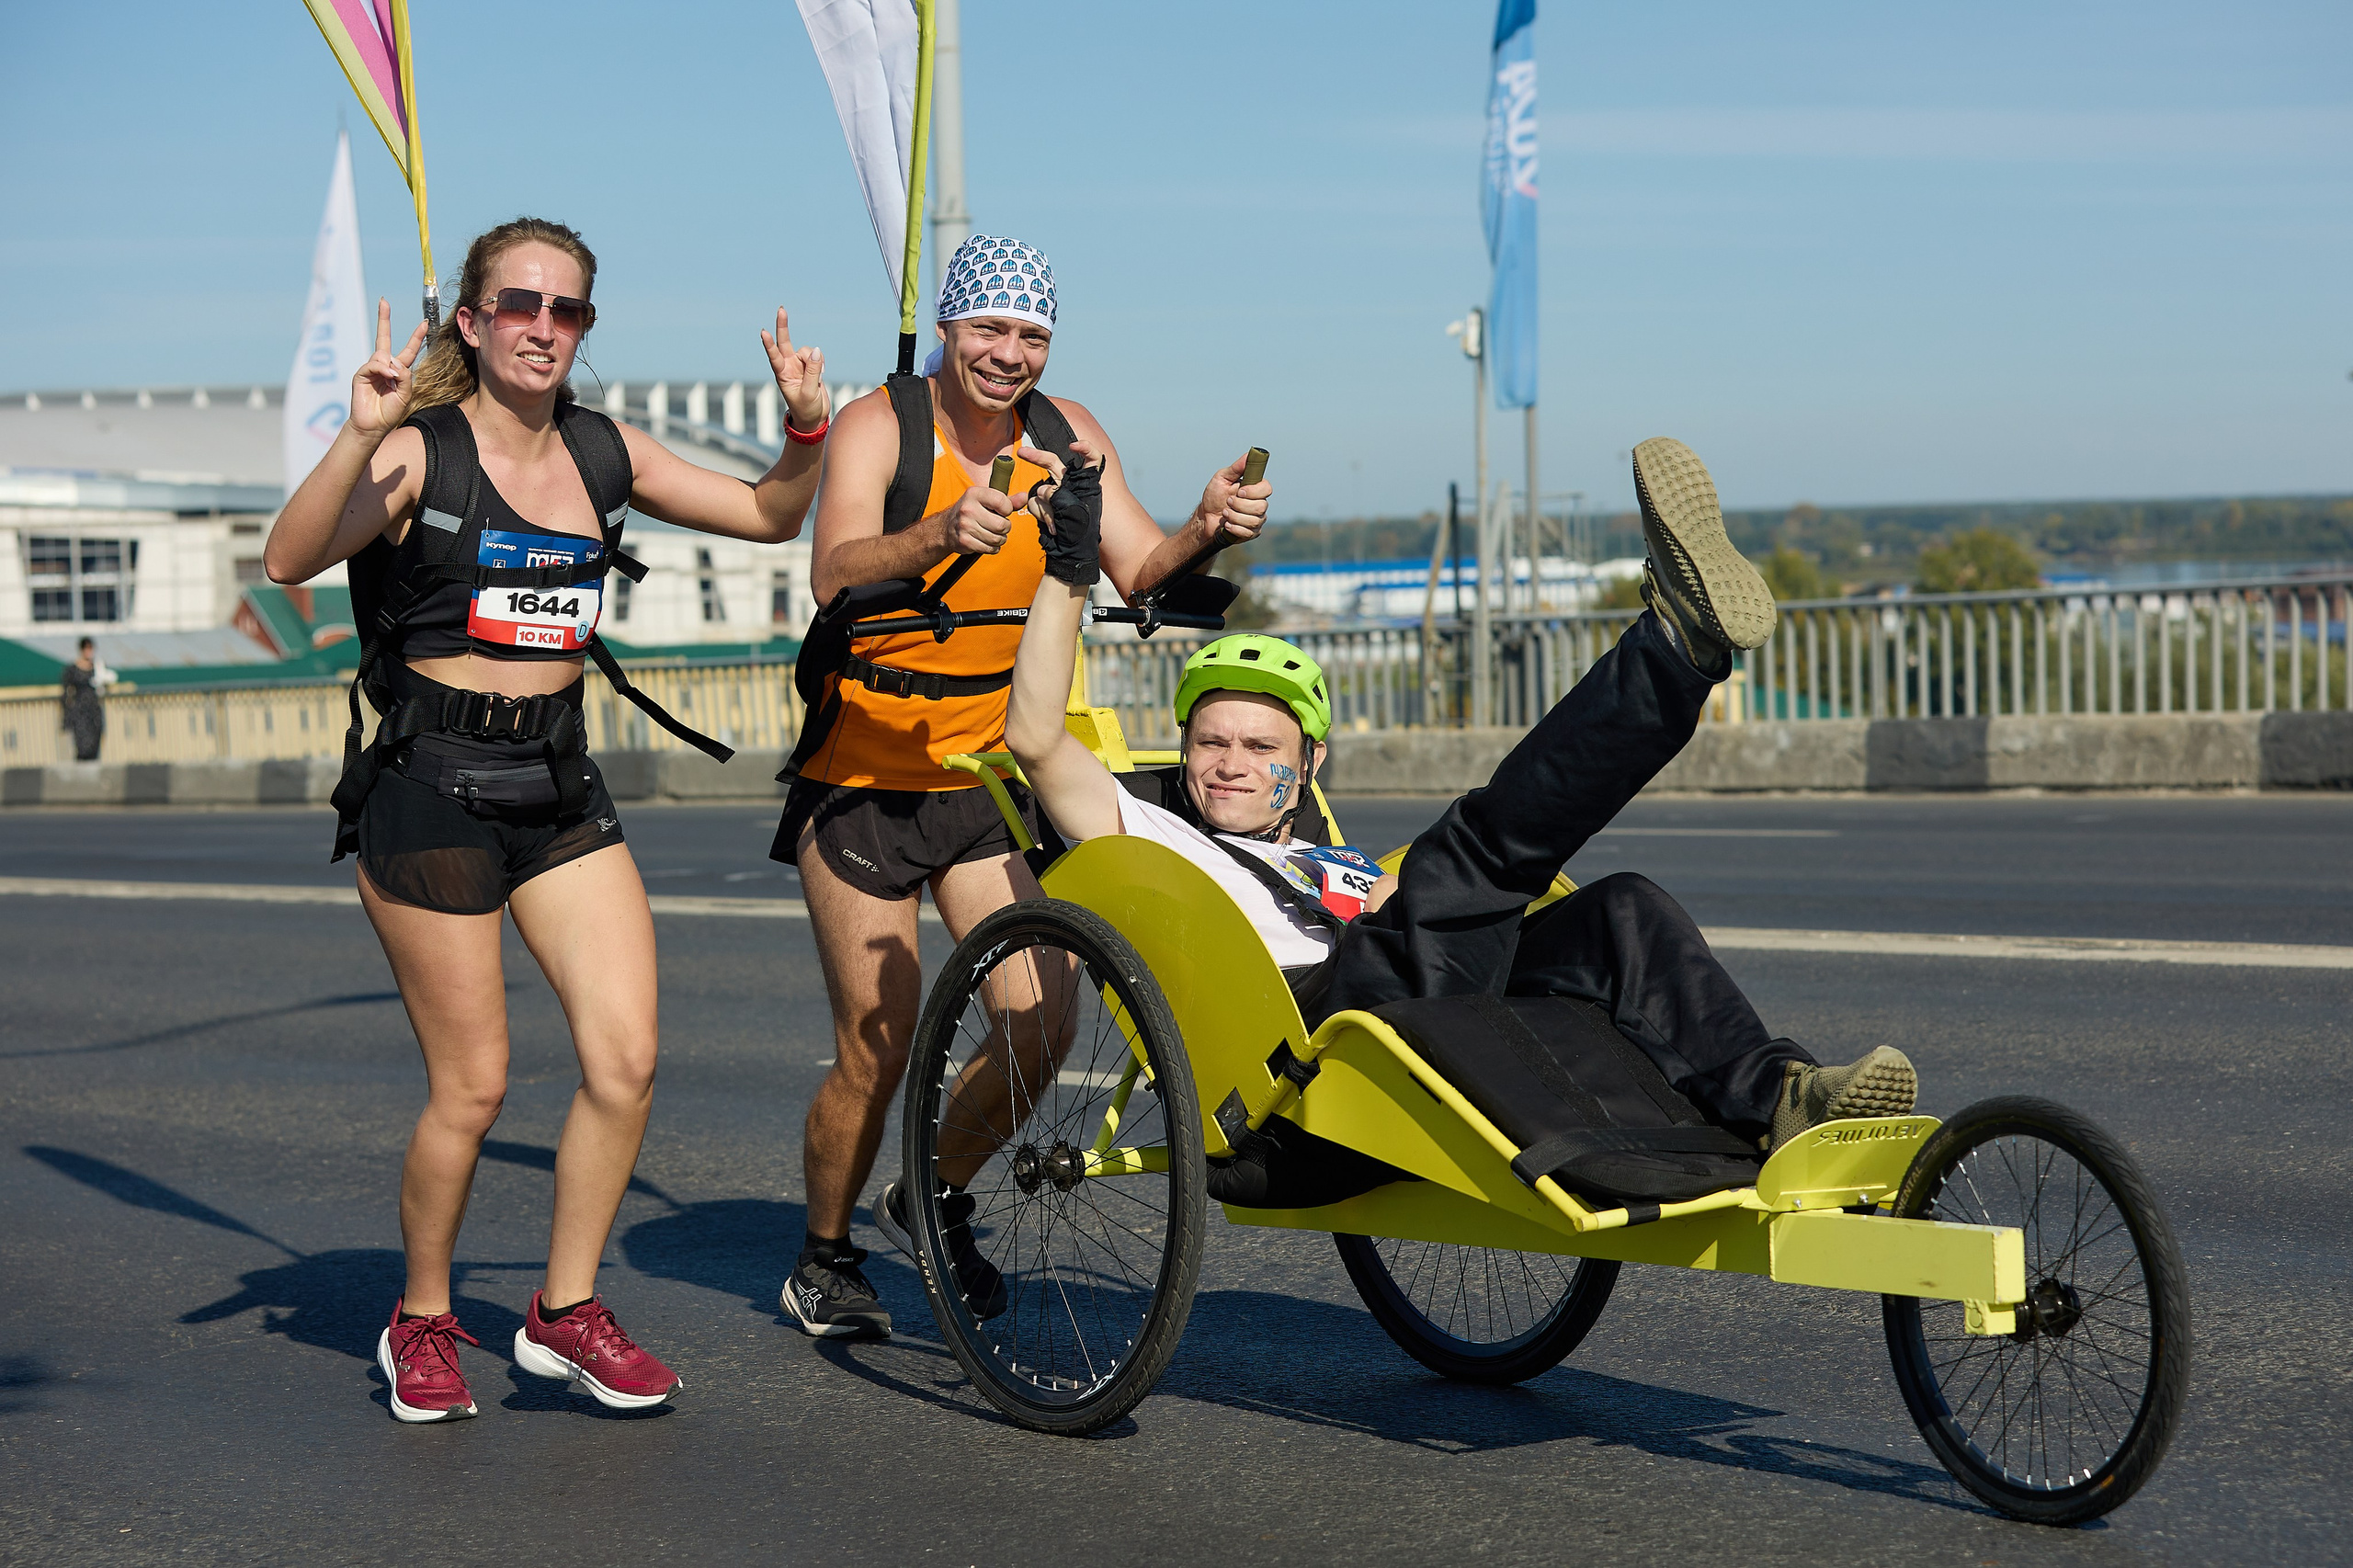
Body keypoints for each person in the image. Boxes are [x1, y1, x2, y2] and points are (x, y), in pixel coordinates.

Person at [970, 434, 1916, 1212]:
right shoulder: (1141, 833)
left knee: (1617, 911)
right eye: (1211, 741)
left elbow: (1416, 904)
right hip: (1306, 1060)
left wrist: (1393, 887)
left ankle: (1786, 1095)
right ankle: (1679, 650)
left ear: (1307, 767)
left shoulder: (1323, 861)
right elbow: (1036, 734)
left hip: (1414, 998)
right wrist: (1066, 567)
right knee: (1477, 849)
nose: (1229, 762)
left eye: (1262, 747)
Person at [265, 217, 829, 1423]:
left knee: (624, 1060)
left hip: (560, 788)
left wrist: (805, 428)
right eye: (518, 303)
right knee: (474, 1085)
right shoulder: (417, 451)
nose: (542, 326)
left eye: (566, 309)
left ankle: (564, 1311)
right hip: (429, 792)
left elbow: (773, 516)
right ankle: (420, 1315)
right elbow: (290, 557)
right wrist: (358, 436)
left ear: (583, 329)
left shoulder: (603, 448)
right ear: (470, 322)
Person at [776, 233, 1272, 1338]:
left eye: (1031, 334)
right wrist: (937, 530)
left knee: (1044, 1016)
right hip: (862, 779)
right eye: (990, 330)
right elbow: (831, 569)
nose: (1010, 354)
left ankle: (932, 1187)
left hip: (985, 779)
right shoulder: (881, 423)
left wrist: (1204, 525)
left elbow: (1139, 567)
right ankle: (823, 1253)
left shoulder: (1067, 432)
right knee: (880, 1036)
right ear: (949, 328)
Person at [60, 638, 106, 761]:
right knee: (82, 747)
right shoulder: (72, 669)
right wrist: (67, 716)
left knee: (94, 747)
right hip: (80, 712)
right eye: (86, 648)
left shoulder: (97, 667)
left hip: (94, 711)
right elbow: (66, 692)